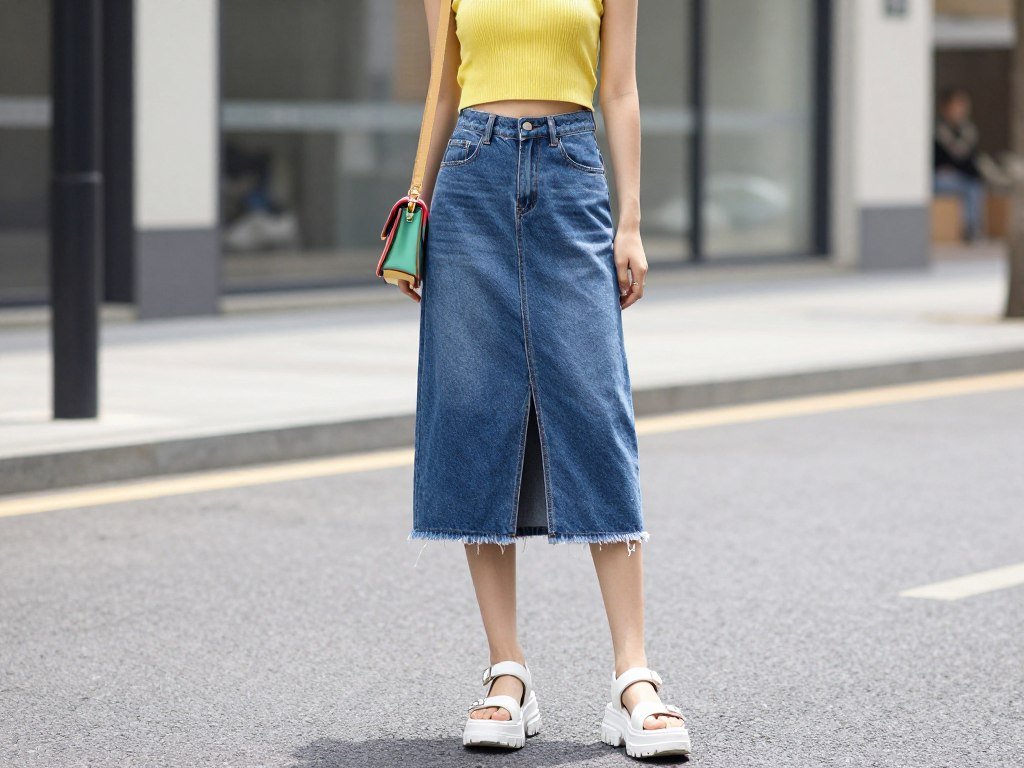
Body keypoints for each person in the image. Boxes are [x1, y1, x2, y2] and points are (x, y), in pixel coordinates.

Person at [396, 0, 691, 759]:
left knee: (597, 411)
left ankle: (634, 680)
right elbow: (442, 88)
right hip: (468, 180)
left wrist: (630, 223)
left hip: (571, 173)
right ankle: (507, 675)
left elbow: (619, 89)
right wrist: (417, 202)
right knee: (472, 411)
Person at [933, 87, 986, 242]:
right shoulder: (938, 129)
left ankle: (972, 229)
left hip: (961, 176)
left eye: (963, 105)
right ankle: (969, 229)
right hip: (938, 176)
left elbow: (969, 162)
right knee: (966, 185)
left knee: (974, 187)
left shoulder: (968, 131)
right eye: (956, 105)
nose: (960, 110)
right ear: (946, 107)